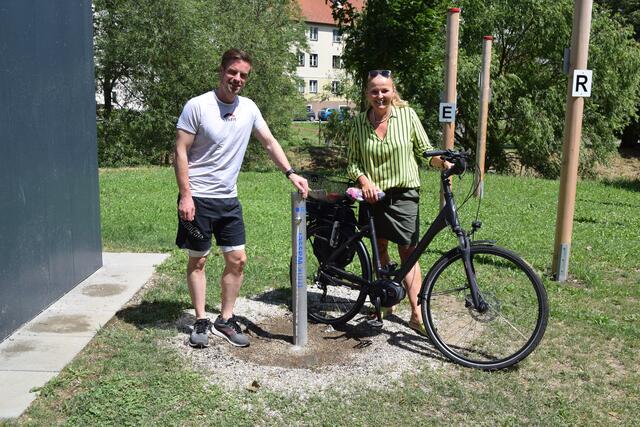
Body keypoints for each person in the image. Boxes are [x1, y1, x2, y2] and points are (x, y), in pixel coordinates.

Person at [174, 48, 309, 348]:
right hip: (198, 199)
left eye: (243, 75)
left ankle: (225, 318)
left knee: (238, 260)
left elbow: (270, 142)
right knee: (199, 260)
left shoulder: (249, 108)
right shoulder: (198, 106)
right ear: (222, 71)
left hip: (228, 200)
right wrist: (186, 195)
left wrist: (291, 173)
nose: (237, 79)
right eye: (233, 72)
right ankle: (199, 320)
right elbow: (180, 150)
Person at [346, 69, 451, 335]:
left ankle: (417, 313)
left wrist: (441, 162)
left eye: (385, 90)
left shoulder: (407, 116)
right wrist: (364, 181)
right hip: (373, 197)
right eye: (374, 91)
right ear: (367, 94)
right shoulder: (359, 122)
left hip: (404, 194)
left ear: (393, 92)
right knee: (379, 248)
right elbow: (352, 161)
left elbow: (424, 151)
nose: (380, 96)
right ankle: (385, 302)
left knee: (409, 251)